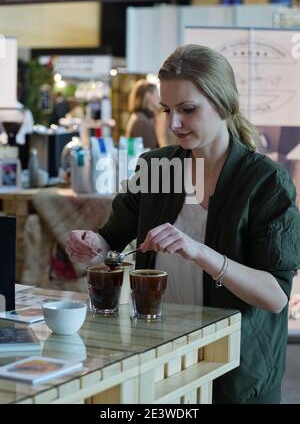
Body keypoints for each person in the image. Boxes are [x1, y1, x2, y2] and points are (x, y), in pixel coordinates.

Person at [66, 44, 300, 404]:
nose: (173, 123)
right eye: (166, 110)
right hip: (161, 359)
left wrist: (199, 251)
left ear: (223, 104)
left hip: (236, 370)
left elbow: (274, 296)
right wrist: (91, 244)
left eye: (187, 110)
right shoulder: (159, 168)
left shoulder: (264, 181)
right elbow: (110, 240)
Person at [125, 79, 159, 149]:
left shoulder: (140, 117)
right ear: (148, 95)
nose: (159, 97)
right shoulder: (141, 121)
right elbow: (151, 150)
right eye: (156, 93)